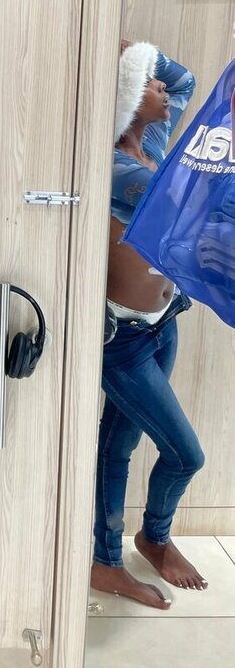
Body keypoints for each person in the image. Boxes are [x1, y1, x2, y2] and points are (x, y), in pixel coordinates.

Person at [91, 38, 207, 610]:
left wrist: (128, 50)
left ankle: (111, 557)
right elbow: (180, 205)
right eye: (148, 82)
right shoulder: (114, 167)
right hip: (124, 340)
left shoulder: (151, 143)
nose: (163, 87)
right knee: (186, 455)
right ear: (129, 98)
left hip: (164, 320)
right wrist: (119, 72)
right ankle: (146, 541)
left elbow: (183, 80)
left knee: (119, 443)